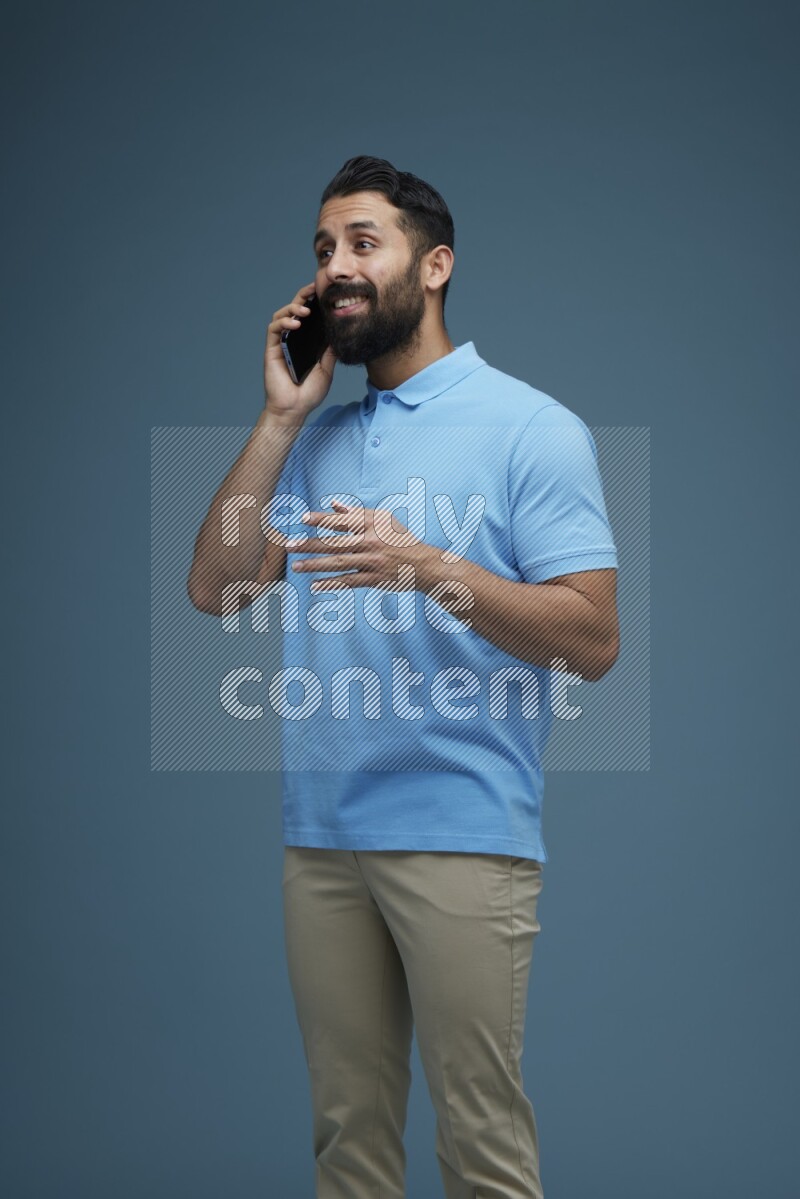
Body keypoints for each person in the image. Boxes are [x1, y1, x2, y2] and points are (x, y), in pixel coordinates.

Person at [187, 155, 619, 1199]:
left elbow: (592, 639)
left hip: (462, 829)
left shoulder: (531, 428)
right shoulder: (318, 439)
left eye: (361, 243)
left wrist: (425, 566)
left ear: (434, 267)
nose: (335, 266)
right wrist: (279, 419)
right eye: (322, 249)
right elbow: (218, 583)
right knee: (349, 1141)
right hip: (323, 837)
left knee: (479, 1146)